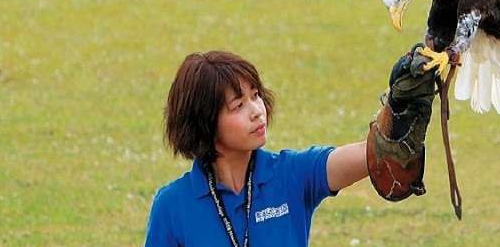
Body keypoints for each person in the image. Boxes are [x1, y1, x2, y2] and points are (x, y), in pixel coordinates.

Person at [145, 46, 439, 246]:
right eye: (238, 105)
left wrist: (398, 112)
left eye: (256, 95)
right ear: (206, 122)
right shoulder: (172, 206)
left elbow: (372, 155)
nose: (257, 110)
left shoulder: (289, 175)